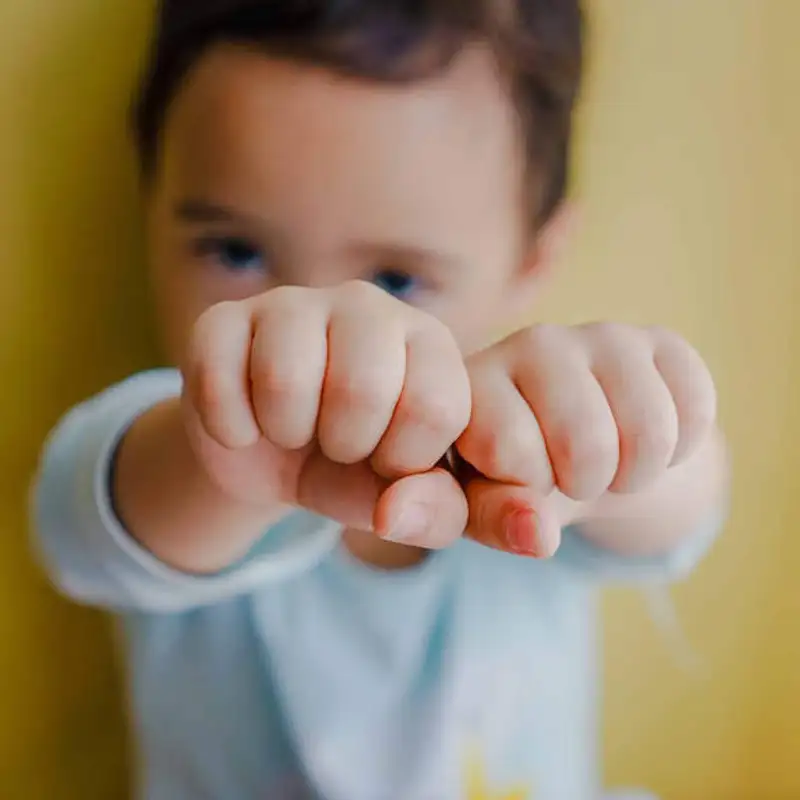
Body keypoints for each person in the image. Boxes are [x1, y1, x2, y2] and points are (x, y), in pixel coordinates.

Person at [30, 1, 729, 798]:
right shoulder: (170, 438)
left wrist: (614, 430)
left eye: (396, 280)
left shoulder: (533, 443)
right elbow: (79, 530)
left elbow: (686, 505)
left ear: (534, 260)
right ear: (148, 201)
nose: (324, 331)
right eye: (235, 250)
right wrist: (222, 453)